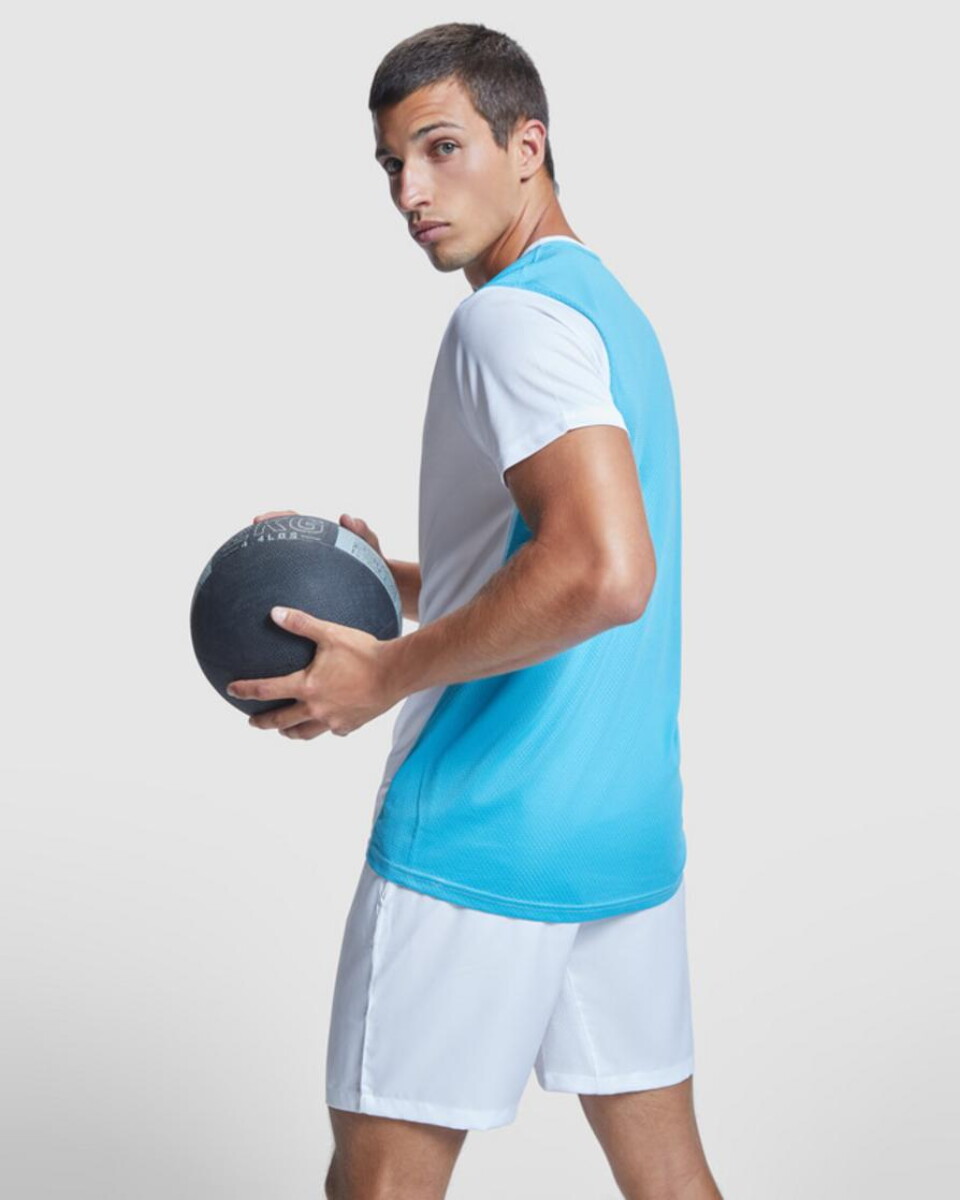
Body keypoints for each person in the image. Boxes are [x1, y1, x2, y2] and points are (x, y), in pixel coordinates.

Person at [232, 20, 723, 1200]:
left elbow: (606, 572)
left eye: (442, 148)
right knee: (672, 1184)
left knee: (380, 1184)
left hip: (480, 829)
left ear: (527, 146)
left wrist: (382, 675)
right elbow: (559, 553)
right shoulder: (606, 308)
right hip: (621, 832)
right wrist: (397, 584)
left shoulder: (503, 321)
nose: (410, 191)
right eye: (391, 163)